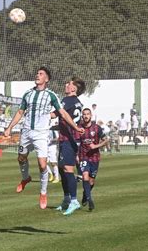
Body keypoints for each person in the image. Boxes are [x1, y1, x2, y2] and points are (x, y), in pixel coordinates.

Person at [4, 66, 82, 210]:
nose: (37, 75)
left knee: (42, 164)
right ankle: (26, 178)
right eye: (37, 73)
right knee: (21, 158)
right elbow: (20, 112)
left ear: (46, 79)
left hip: (41, 134)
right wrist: (9, 127)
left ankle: (43, 192)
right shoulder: (27, 94)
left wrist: (76, 127)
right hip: (26, 131)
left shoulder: (51, 95)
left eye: (41, 74)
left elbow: (63, 113)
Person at [53, 77, 86, 216]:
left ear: (73, 89)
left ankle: (73, 200)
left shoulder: (67, 100)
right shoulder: (78, 102)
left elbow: (60, 114)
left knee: (67, 168)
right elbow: (67, 118)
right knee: (62, 168)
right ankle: (67, 198)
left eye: (69, 84)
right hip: (70, 138)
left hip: (68, 139)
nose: (66, 85)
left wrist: (40, 116)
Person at [75, 108, 108, 211]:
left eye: (87, 114)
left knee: (91, 181)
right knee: (85, 176)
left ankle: (86, 194)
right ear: (82, 116)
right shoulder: (79, 128)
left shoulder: (97, 128)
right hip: (83, 156)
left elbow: (106, 140)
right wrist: (76, 155)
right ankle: (89, 200)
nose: (86, 116)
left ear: (91, 115)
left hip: (95, 157)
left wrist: (96, 146)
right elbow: (76, 143)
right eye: (84, 114)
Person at [46, 117, 60, 184]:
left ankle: (57, 177)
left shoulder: (52, 128)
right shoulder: (42, 128)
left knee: (53, 162)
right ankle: (50, 174)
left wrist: (51, 141)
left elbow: (57, 138)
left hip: (52, 146)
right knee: (43, 162)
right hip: (45, 147)